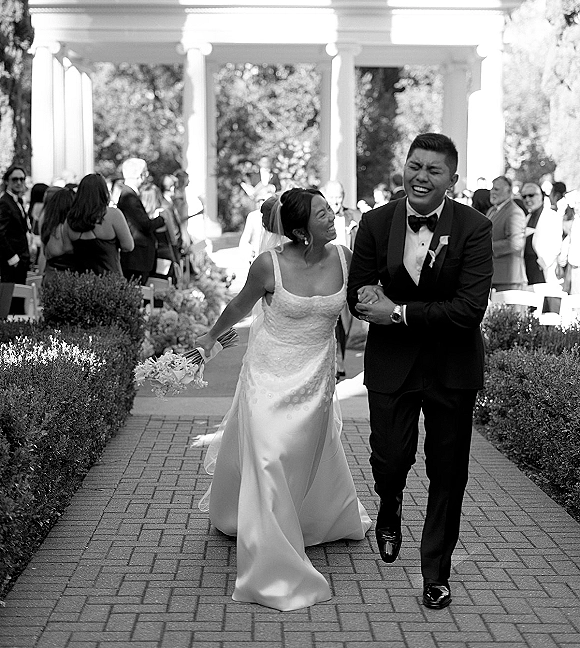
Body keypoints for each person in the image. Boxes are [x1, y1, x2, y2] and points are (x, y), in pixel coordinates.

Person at [196, 188, 371, 611]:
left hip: (315, 381)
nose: (332, 217)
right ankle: (272, 565)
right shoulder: (267, 265)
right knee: (270, 459)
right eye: (322, 213)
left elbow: (362, 308)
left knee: (303, 456)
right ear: (299, 230)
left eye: (330, 209)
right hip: (266, 376)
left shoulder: (345, 258)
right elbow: (237, 310)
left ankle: (312, 516)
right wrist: (206, 347)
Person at [347, 133, 493, 611]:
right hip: (391, 365)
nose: (421, 176)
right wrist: (370, 302)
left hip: (453, 367)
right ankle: (389, 503)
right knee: (389, 458)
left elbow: (468, 309)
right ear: (403, 168)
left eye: (433, 169)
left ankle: (436, 572)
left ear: (452, 178)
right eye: (415, 165)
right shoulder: (374, 222)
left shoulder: (474, 227)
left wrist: (399, 312)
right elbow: (359, 294)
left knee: (447, 473)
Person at [321, 180, 362, 379]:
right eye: (332, 196)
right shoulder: (318, 217)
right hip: (324, 276)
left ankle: (340, 357)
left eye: (339, 196)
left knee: (345, 321)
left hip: (348, 276)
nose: (336, 201)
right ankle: (334, 362)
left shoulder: (354, 217)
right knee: (331, 320)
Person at [66, 173, 134, 275]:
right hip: (110, 280)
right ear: (104, 191)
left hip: (82, 282)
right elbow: (128, 246)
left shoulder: (71, 218)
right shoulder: (113, 214)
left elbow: (68, 249)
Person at [117, 158, 164, 284]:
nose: (147, 176)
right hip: (136, 258)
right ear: (140, 175)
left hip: (138, 258)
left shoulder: (130, 194)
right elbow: (145, 225)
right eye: (145, 172)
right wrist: (161, 218)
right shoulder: (129, 196)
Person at [521, 181, 563, 295]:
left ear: (541, 196)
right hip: (526, 268)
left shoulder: (552, 216)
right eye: (524, 196)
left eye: (531, 195)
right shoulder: (527, 217)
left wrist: (543, 263)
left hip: (543, 268)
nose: (527, 199)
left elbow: (556, 245)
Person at [487, 175, 526, 292]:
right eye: (492, 188)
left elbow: (516, 244)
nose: (492, 192)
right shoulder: (492, 210)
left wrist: (486, 247)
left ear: (508, 191)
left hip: (508, 279)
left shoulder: (514, 212)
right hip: (493, 276)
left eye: (496, 189)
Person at [0, 165, 31, 299]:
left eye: (22, 179)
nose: (19, 182)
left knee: (18, 301)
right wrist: (12, 257)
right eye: (15, 179)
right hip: (12, 262)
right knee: (12, 302)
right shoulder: (5, 203)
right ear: (7, 181)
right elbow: (0, 233)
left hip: (20, 259)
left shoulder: (16, 201)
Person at [140, 182, 181, 282]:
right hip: (164, 253)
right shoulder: (163, 213)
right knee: (167, 284)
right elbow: (172, 238)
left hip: (147, 257)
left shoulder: (141, 217)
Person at [39, 187, 76, 280]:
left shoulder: (48, 227)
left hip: (49, 275)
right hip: (65, 278)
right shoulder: (68, 229)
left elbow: (43, 253)